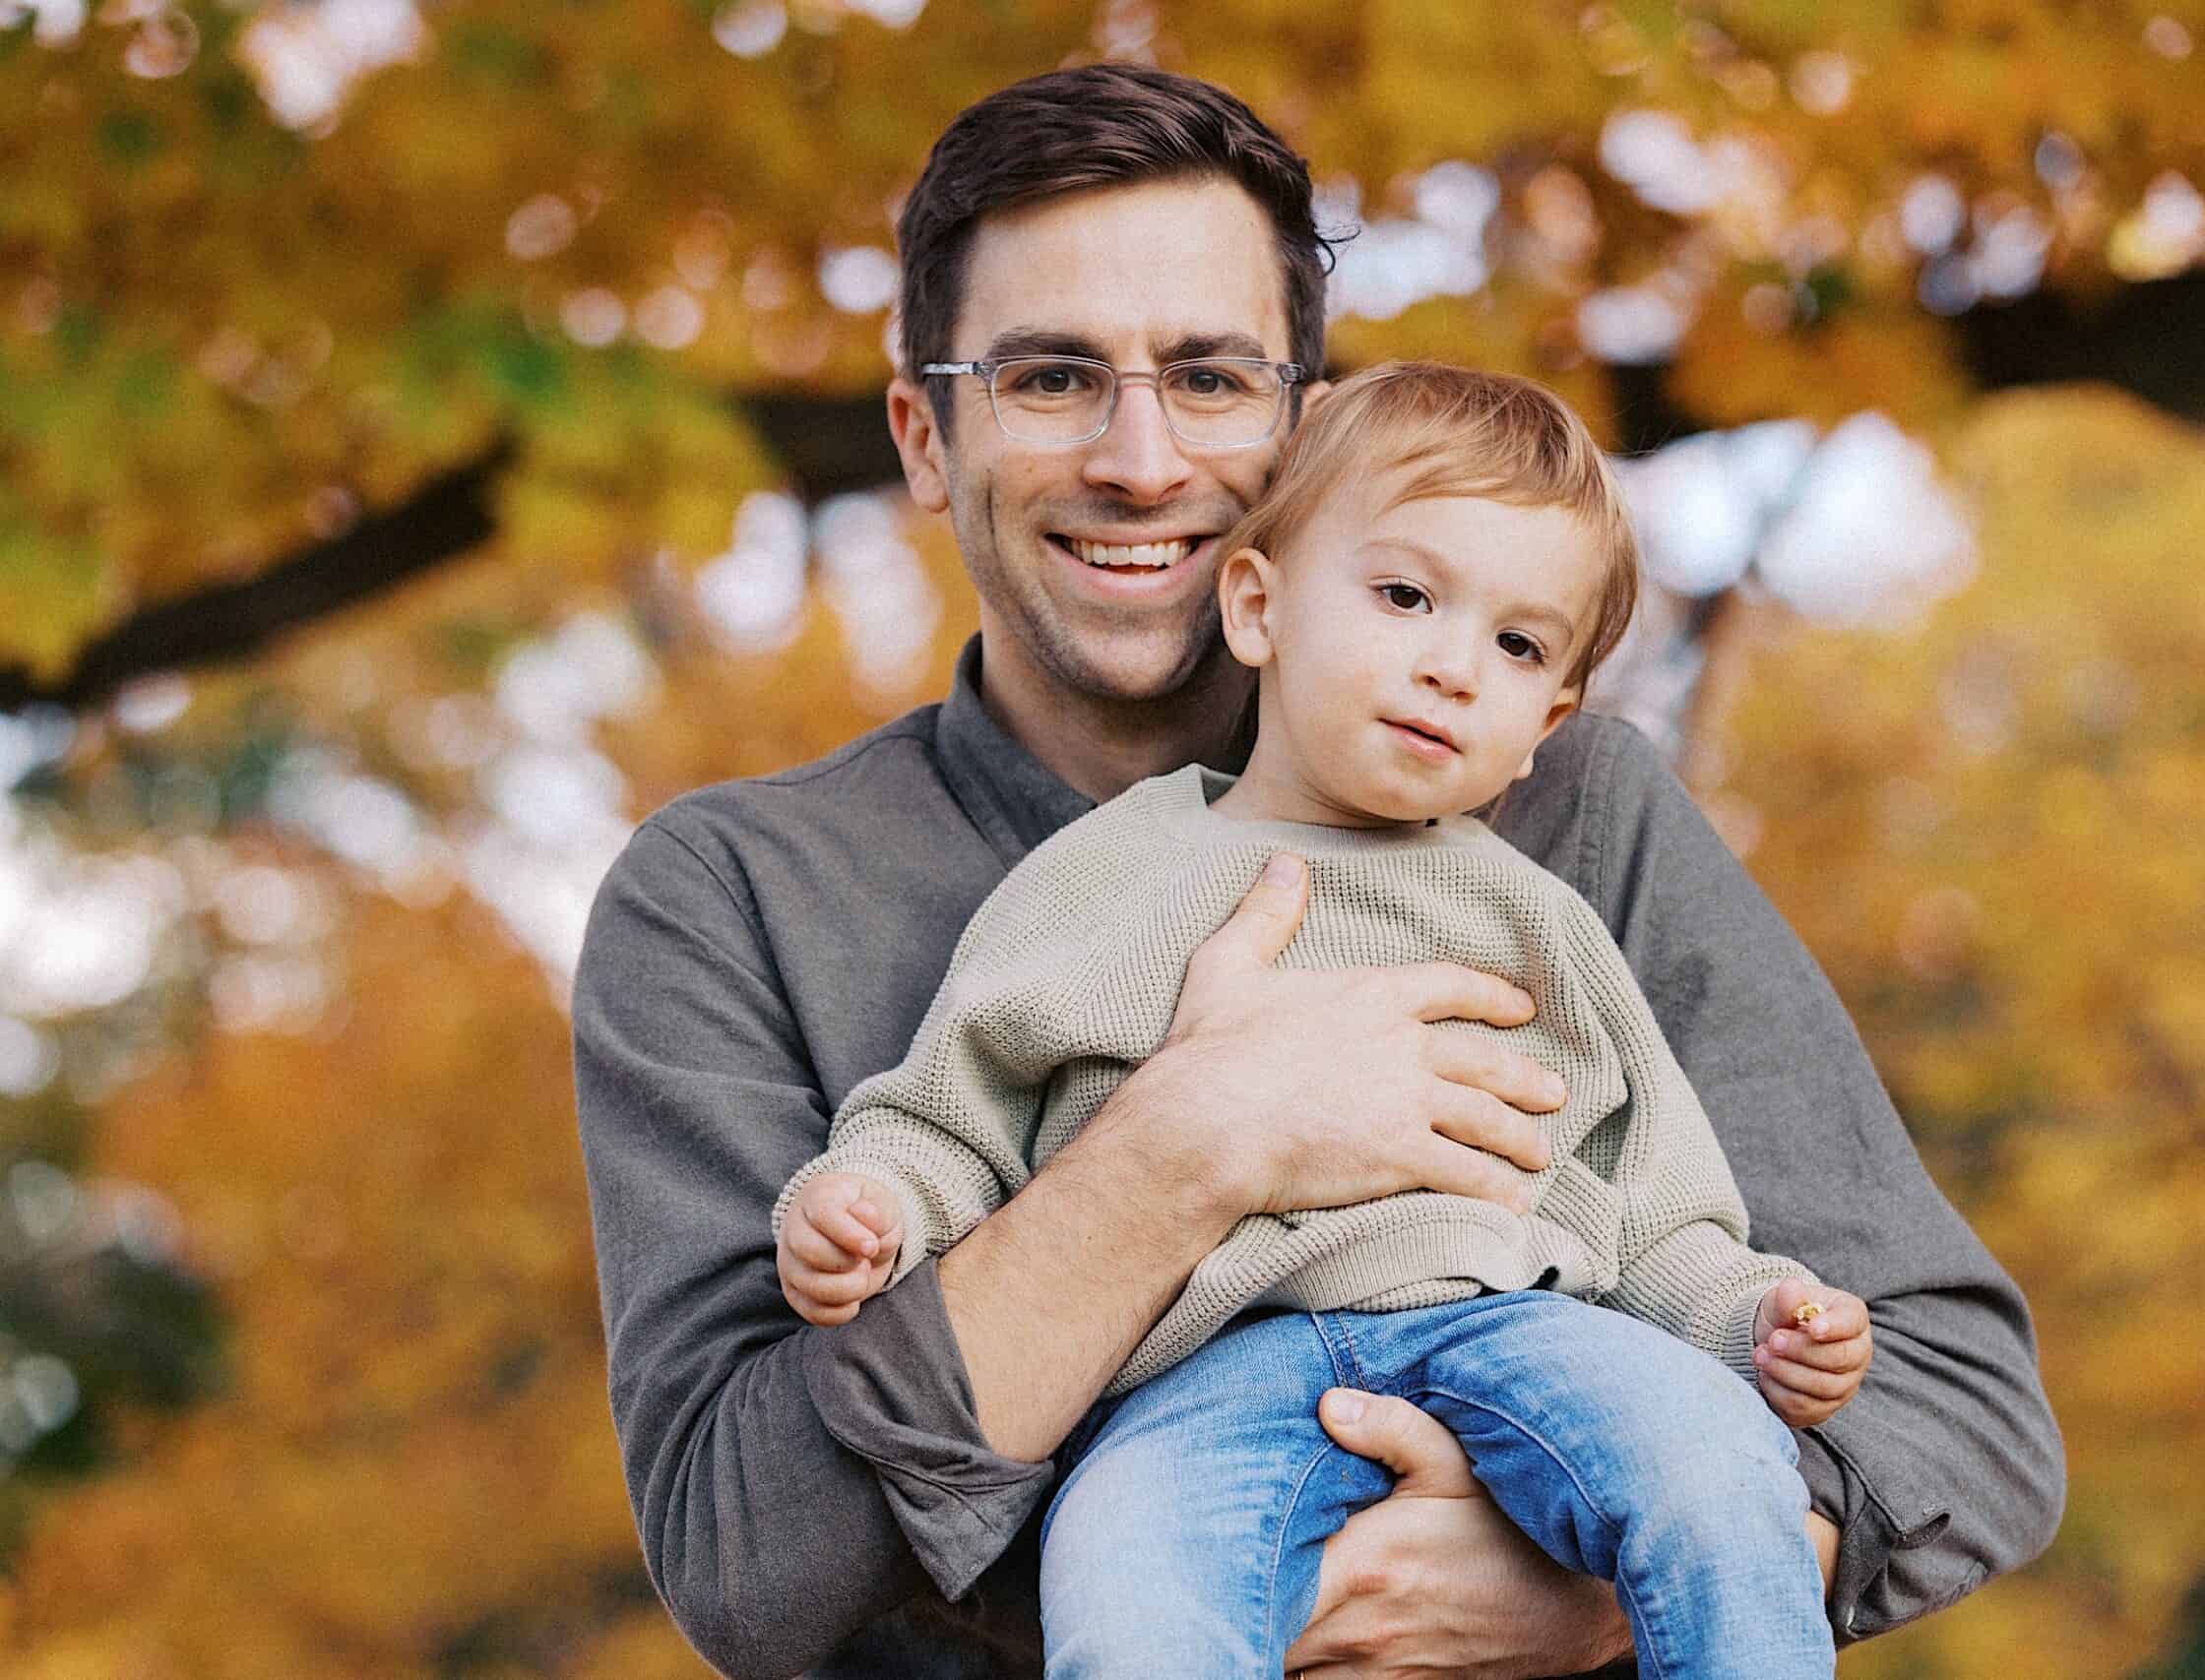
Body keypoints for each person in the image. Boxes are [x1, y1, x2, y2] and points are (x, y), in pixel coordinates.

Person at [571, 62, 2065, 1680]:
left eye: (1210, 379)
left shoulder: (1566, 816)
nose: (1140, 461)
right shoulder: (732, 894)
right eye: (1055, 377)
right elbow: (748, 1557)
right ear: (928, 439)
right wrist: (1190, 1143)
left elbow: (1956, 1404)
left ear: (1300, 430)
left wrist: (1583, 1594)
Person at [771, 360, 1866, 1677]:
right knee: (1125, 1598)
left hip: (1513, 1321)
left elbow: (1650, 1203)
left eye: (1518, 646)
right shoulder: (1105, 879)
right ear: (1259, 603)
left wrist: (1753, 1320)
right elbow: (960, 1111)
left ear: (1545, 725)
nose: (1454, 667)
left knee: (1715, 1459)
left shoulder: (1537, 921)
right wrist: (872, 1203)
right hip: (1200, 1379)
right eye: (1405, 595)